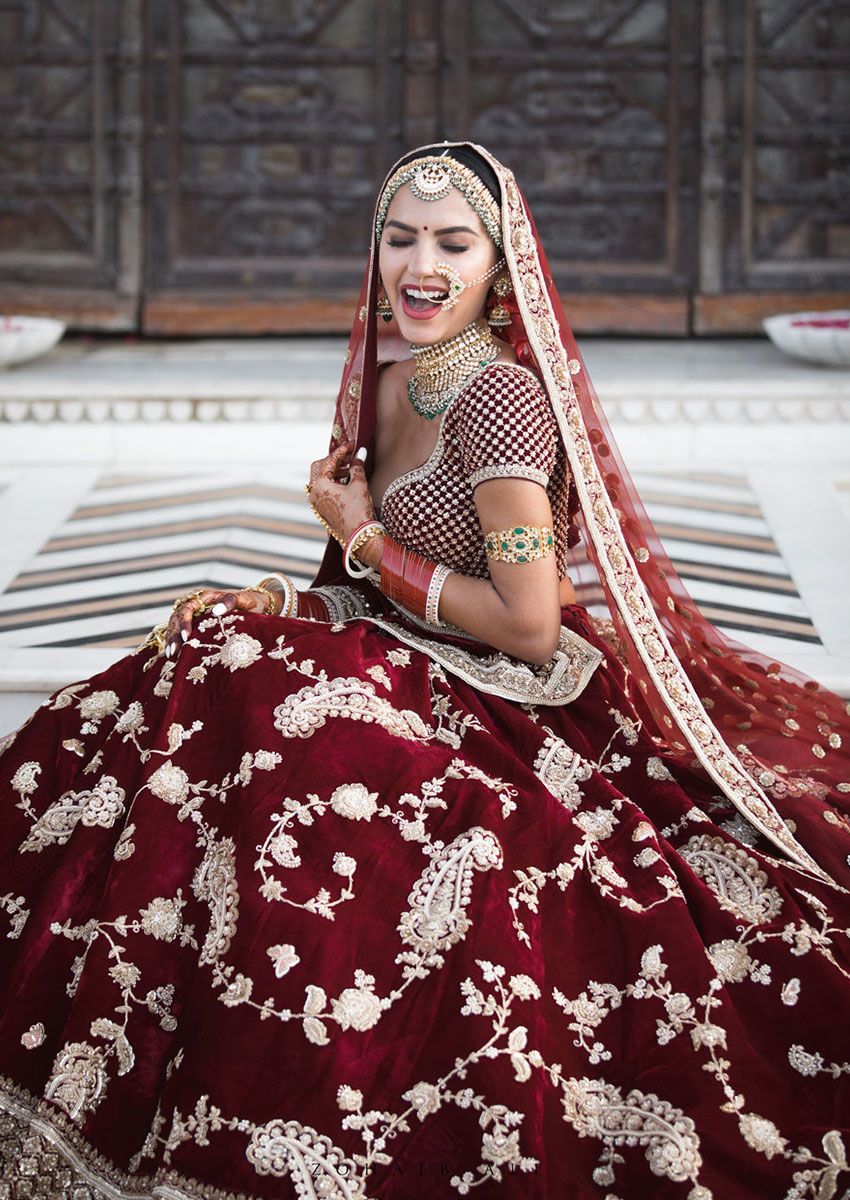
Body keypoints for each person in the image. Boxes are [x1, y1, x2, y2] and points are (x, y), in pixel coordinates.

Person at [1, 143, 849, 1200]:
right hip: (417, 650)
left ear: (502, 267)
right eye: (400, 238)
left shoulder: (498, 402)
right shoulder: (397, 379)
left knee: (284, 732)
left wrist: (360, 544)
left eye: (454, 241)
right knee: (206, 660)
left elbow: (530, 628)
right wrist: (286, 599)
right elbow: (370, 583)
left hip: (510, 691)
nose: (421, 263)